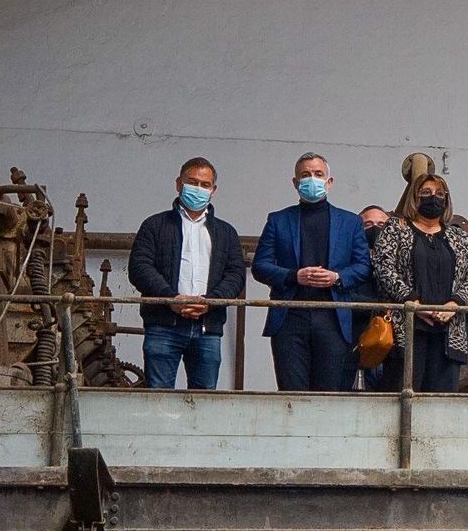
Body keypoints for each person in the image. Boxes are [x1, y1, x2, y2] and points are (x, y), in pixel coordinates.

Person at [253, 153, 371, 392]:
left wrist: (337, 277)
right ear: (295, 182)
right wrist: (293, 275)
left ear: (329, 182)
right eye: (305, 175)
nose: (312, 179)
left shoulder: (350, 222)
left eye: (318, 174)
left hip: (333, 318)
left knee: (328, 393)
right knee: (291, 391)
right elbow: (260, 265)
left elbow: (363, 267)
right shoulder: (278, 220)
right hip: (290, 317)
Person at [128, 157, 246, 390]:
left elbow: (236, 275)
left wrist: (211, 302)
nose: (198, 189)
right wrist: (170, 298)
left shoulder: (226, 233)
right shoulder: (154, 225)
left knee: (203, 400)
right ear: (178, 183)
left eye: (205, 184)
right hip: (163, 325)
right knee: (158, 397)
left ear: (213, 190)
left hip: (208, 328)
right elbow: (140, 267)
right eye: (192, 182)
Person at [369, 173, 468, 393]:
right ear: (414, 197)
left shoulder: (458, 237)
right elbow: (383, 268)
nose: (433, 198)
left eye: (440, 193)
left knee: (442, 403)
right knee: (402, 398)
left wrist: (455, 305)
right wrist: (413, 304)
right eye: (426, 193)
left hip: (449, 332)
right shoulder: (395, 229)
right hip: (405, 329)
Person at [350, 205, 393, 390]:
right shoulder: (348, 262)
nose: (375, 229)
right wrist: (379, 306)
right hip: (356, 340)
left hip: (390, 344)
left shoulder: (399, 263)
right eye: (367, 224)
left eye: (382, 225)